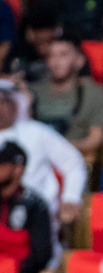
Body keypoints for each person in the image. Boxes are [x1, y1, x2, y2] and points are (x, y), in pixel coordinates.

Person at [0, 81, 86, 261]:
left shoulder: (36, 132)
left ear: (14, 104)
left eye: (2, 101)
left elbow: (74, 163)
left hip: (37, 225)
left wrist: (70, 198)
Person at [28, 36, 103, 164]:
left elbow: (96, 139)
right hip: (37, 162)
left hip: (78, 161)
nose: (56, 61)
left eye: (63, 55)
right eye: (51, 55)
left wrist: (59, 149)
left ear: (79, 60)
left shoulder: (93, 92)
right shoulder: (31, 91)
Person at [0, 140, 51, 273]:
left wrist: (8, 269)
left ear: (18, 168)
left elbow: (41, 254)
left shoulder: (34, 205)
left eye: (2, 164)